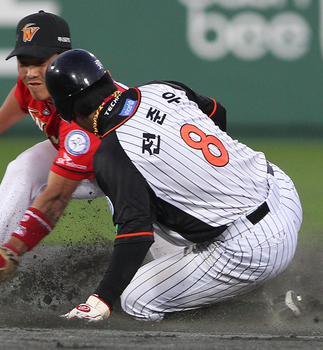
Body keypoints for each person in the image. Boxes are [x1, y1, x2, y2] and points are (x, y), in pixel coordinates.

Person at [43, 49, 303, 322]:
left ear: (68, 113)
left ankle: (264, 311)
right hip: (280, 189)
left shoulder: (112, 154)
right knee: (163, 199)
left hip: (255, 248)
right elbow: (217, 112)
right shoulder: (161, 88)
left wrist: (102, 298)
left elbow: (136, 233)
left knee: (136, 299)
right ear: (108, 76)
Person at [0, 11, 126, 312]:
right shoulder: (37, 84)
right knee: (21, 168)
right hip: (77, 155)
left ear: (65, 58)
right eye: (24, 63)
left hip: (133, 168)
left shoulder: (85, 109)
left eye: (41, 62)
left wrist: (12, 250)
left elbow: (57, 197)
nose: (31, 72)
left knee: (153, 264)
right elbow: (21, 95)